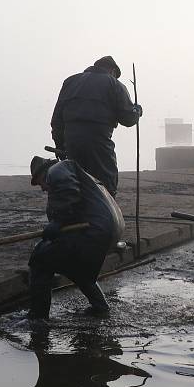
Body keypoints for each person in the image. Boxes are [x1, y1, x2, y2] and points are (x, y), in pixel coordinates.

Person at [27, 155, 125, 320]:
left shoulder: (56, 170)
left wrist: (59, 220)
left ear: (44, 173)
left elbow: (67, 191)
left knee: (40, 260)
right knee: (75, 266)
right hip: (108, 231)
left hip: (96, 230)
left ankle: (37, 319)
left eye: (39, 183)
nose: (43, 188)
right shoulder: (80, 174)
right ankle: (100, 308)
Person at [50, 55, 143, 197]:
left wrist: (60, 145)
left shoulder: (70, 81)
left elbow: (56, 119)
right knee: (105, 185)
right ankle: (103, 215)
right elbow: (128, 119)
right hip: (98, 142)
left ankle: (79, 215)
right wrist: (137, 111)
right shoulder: (114, 84)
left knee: (76, 183)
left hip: (71, 142)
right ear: (112, 71)